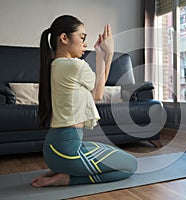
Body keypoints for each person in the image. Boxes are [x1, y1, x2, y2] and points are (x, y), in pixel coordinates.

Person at [31, 15, 137, 187]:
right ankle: (66, 178)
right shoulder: (75, 66)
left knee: (116, 153)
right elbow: (98, 93)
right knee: (130, 165)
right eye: (82, 37)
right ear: (64, 38)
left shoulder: (55, 65)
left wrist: (100, 55)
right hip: (67, 152)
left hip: (55, 149)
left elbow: (96, 90)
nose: (85, 43)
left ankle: (60, 169)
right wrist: (108, 54)